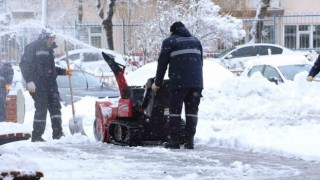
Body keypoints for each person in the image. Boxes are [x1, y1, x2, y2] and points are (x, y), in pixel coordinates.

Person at [152, 21, 203, 149]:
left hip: (179, 83)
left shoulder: (170, 41)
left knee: (174, 111)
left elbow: (162, 64)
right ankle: (189, 141)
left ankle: (174, 141)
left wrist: (157, 83)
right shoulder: (196, 41)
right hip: (196, 83)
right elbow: (200, 62)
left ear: (172, 31)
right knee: (192, 112)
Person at [19, 30, 73, 142]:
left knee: (56, 109)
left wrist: (64, 72)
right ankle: (37, 136)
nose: (51, 41)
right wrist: (29, 81)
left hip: (51, 85)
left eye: (53, 39)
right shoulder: (32, 47)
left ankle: (58, 134)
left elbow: (50, 69)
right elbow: (24, 64)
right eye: (50, 39)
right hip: (38, 85)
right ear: (44, 38)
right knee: (41, 109)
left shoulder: (49, 50)